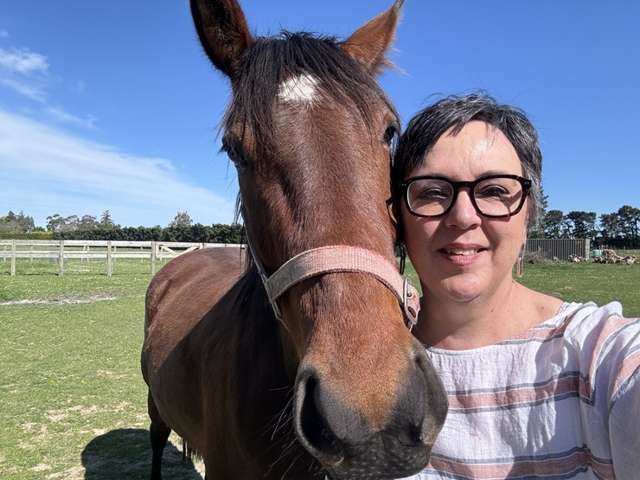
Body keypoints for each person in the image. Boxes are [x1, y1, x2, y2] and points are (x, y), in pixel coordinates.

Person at [391, 94, 640, 479]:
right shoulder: (366, 369)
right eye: (432, 191)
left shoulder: (597, 357)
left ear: (529, 214)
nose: (462, 216)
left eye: (493, 190)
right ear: (398, 219)